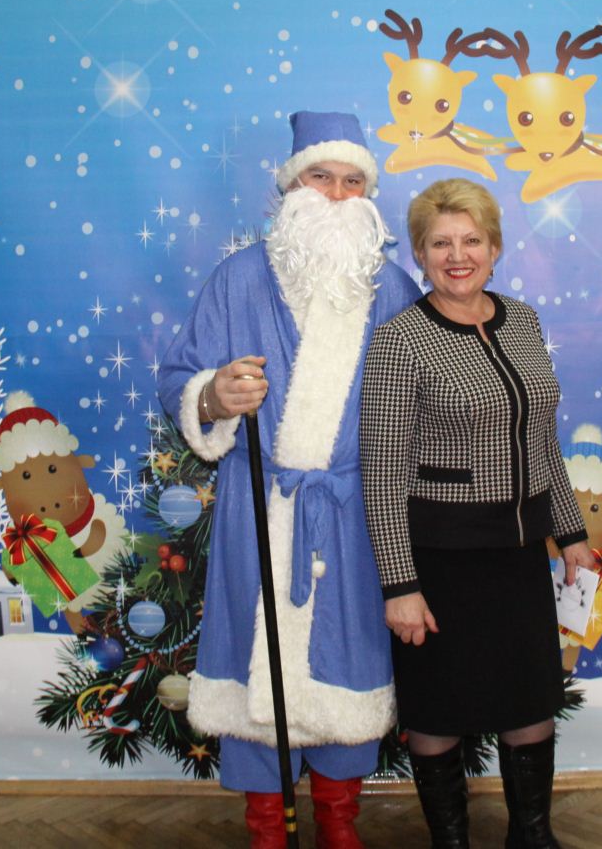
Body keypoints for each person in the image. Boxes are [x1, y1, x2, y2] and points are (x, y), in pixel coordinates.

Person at [158, 111, 420, 849]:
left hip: (351, 515)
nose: (336, 195)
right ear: (290, 187)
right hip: (259, 510)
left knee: (346, 661)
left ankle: (339, 825)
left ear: (368, 193)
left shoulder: (392, 289)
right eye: (320, 177)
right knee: (254, 671)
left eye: (352, 181)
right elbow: (178, 377)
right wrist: (213, 396)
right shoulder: (238, 279)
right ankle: (267, 830)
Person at [359, 177, 596, 849]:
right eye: (441, 244)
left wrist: (571, 533)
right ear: (420, 254)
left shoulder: (523, 320)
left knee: (531, 702)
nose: (457, 256)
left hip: (518, 556)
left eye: (471, 240)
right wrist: (400, 586)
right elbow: (382, 474)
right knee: (440, 710)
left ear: (494, 248)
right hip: (440, 563)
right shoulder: (400, 340)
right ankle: (451, 842)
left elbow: (542, 439)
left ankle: (532, 834)